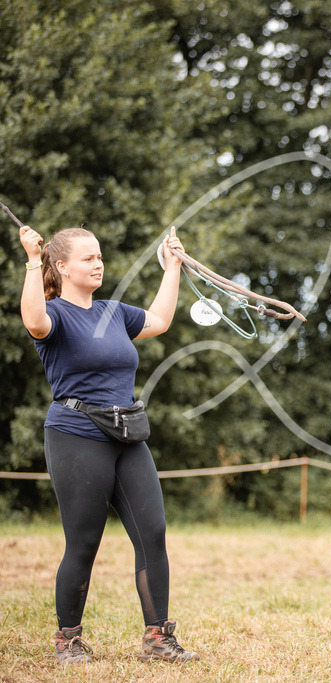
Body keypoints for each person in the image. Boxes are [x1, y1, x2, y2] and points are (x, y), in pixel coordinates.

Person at [18, 223, 199, 666]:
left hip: (126, 434)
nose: (98, 263)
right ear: (60, 267)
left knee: (152, 532)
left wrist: (172, 266)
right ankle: (68, 640)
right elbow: (32, 320)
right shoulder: (55, 314)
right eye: (87, 258)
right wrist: (29, 259)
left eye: (99, 256)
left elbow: (158, 320)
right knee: (83, 541)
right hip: (75, 434)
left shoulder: (114, 312)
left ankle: (158, 638)